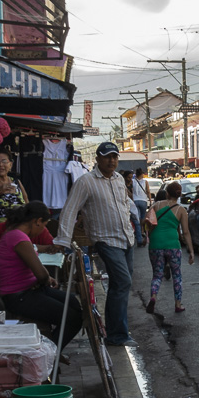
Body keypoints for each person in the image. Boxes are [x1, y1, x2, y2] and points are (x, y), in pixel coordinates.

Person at [55, 141, 138, 346]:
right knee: (123, 281)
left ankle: (112, 332)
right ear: (98, 159)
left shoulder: (119, 179)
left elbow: (125, 204)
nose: (112, 160)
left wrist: (138, 220)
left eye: (115, 157)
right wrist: (63, 240)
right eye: (107, 156)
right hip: (105, 239)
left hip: (126, 237)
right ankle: (118, 334)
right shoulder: (86, 181)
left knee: (120, 285)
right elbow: (70, 210)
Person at [0, 201, 82, 351]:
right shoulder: (19, 238)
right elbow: (41, 274)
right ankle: (49, 353)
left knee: (73, 302)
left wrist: (45, 279)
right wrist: (46, 279)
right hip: (18, 296)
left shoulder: (15, 234)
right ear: (37, 221)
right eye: (44, 225)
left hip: (28, 289)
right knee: (73, 318)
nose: (43, 230)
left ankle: (51, 350)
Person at [145, 182, 195, 314]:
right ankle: (178, 304)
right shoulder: (181, 210)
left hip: (155, 244)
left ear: (167, 193)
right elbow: (185, 232)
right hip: (173, 245)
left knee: (157, 275)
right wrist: (191, 250)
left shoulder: (156, 205)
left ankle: (153, 297)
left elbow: (146, 222)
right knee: (177, 275)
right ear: (179, 195)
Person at [131, 167, 149, 241]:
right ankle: (141, 230)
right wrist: (150, 200)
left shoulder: (132, 181)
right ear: (141, 174)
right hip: (143, 201)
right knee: (143, 216)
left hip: (135, 201)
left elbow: (131, 191)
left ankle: (137, 230)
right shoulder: (145, 182)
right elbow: (148, 191)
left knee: (136, 217)